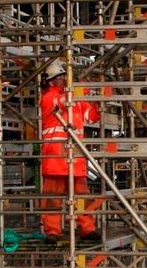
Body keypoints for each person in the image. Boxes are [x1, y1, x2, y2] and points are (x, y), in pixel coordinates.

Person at [40, 59, 101, 244]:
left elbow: (90, 117)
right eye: (61, 77)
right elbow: (63, 102)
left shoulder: (75, 98)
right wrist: (81, 88)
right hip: (55, 157)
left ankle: (87, 228)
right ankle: (52, 231)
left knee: (82, 195)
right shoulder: (49, 96)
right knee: (52, 198)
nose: (65, 80)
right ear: (52, 81)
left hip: (75, 157)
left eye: (66, 77)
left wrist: (94, 100)